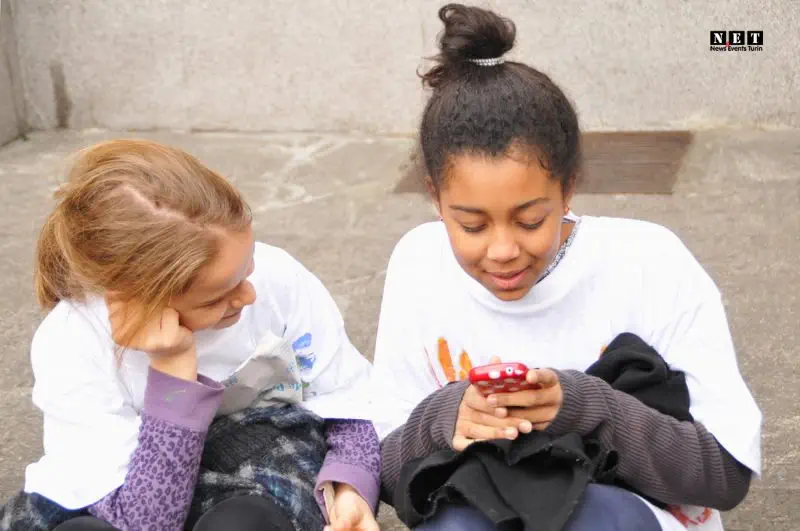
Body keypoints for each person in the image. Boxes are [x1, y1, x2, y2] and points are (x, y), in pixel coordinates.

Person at [371, 4, 761, 530]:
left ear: (569, 188)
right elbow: (386, 474)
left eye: (531, 220)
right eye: (471, 225)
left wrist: (581, 406)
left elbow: (724, 475)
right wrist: (447, 417)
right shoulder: (418, 264)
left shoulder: (651, 264)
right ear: (435, 199)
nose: (503, 249)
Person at [10, 139, 380, 531]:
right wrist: (173, 373)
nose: (248, 295)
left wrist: (350, 484)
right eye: (217, 298)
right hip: (129, 493)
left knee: (242, 525)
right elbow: (146, 523)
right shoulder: (73, 343)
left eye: (248, 268)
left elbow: (350, 401)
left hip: (261, 460)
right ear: (136, 298)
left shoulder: (278, 279)